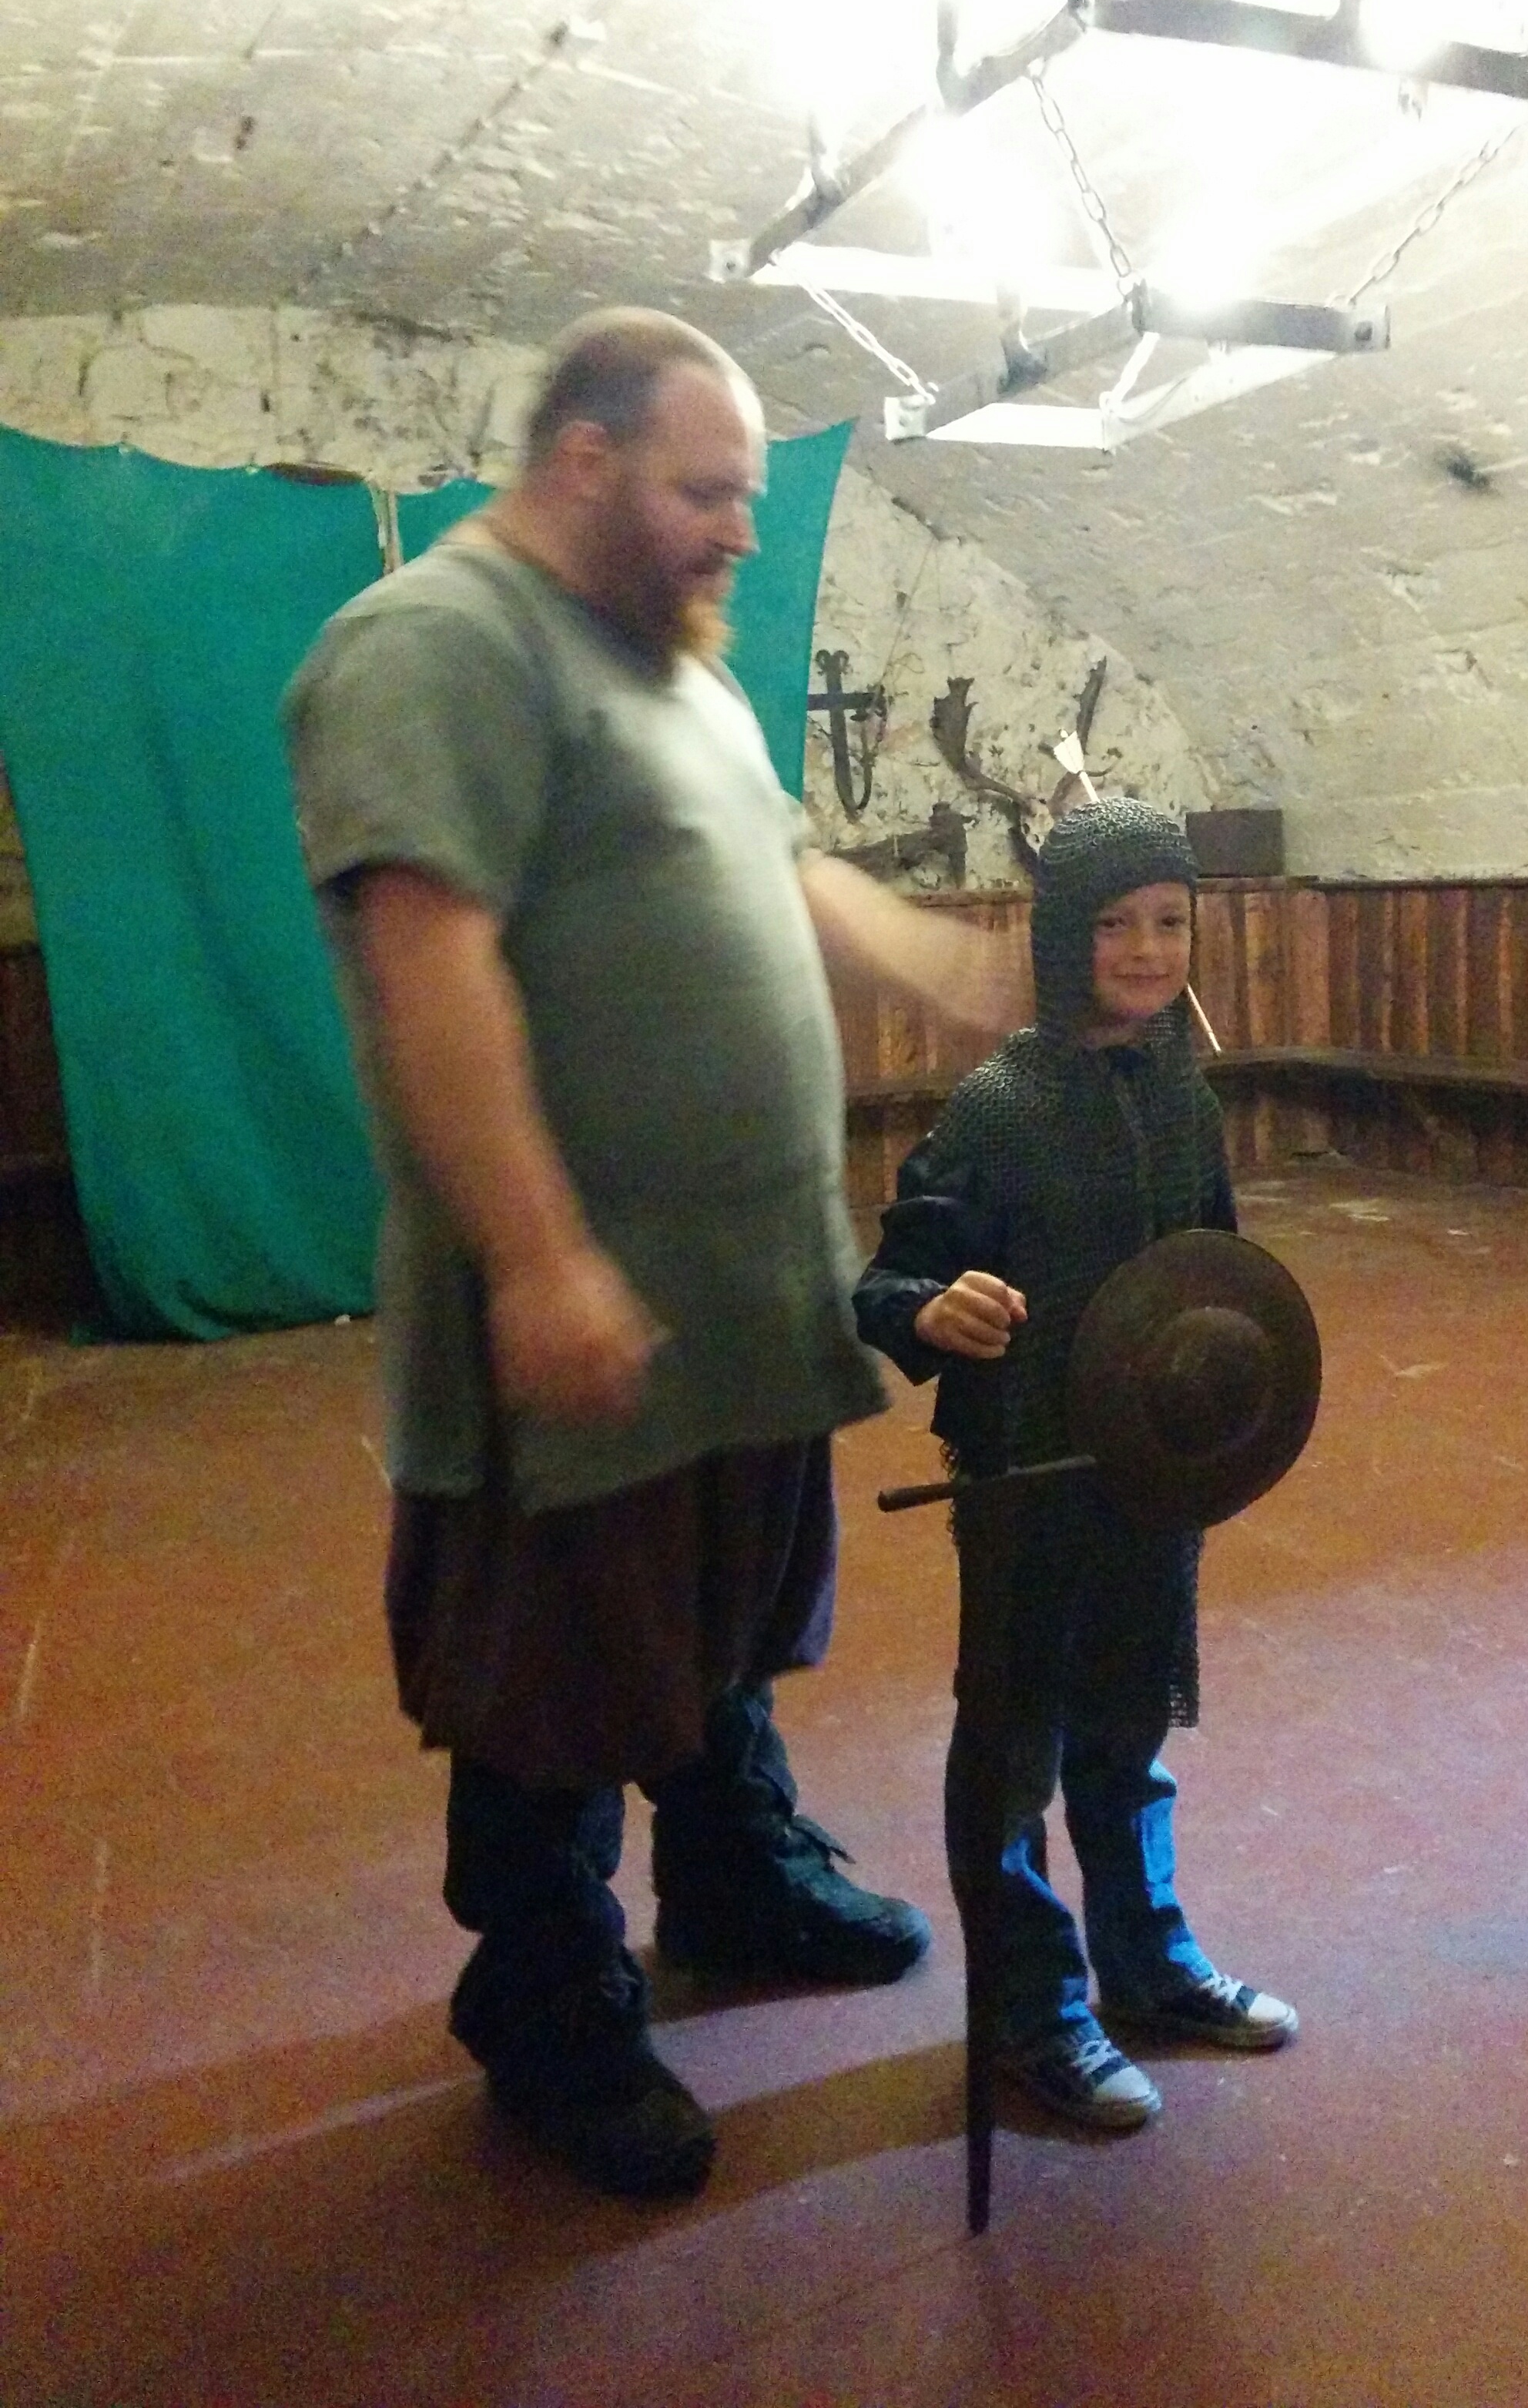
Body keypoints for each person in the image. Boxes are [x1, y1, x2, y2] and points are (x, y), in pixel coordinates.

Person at [285, 307, 1016, 2202]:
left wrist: (921, 954)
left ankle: (734, 1876)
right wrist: (539, 1259)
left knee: (719, 1628)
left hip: (740, 1297)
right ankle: (548, 2006)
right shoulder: (438, 642)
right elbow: (428, 959)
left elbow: (768, 860)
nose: (740, 532)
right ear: (585, 460)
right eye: (708, 492)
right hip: (583, 1307)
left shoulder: (672, 666)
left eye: (751, 497)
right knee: (554, 1681)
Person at [853, 796, 1299, 2132]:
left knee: (1128, 1728)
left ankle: (1146, 1961)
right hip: (1028, 1478)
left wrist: (1230, 1410)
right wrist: (933, 1311)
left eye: (1170, 922)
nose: (1148, 951)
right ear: (1061, 940)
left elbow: (1216, 1279)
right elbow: (891, 1280)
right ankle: (1031, 2006)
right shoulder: (999, 1110)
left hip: (1154, 1477)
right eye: (1114, 925)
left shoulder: (1185, 1101)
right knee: (1015, 1749)